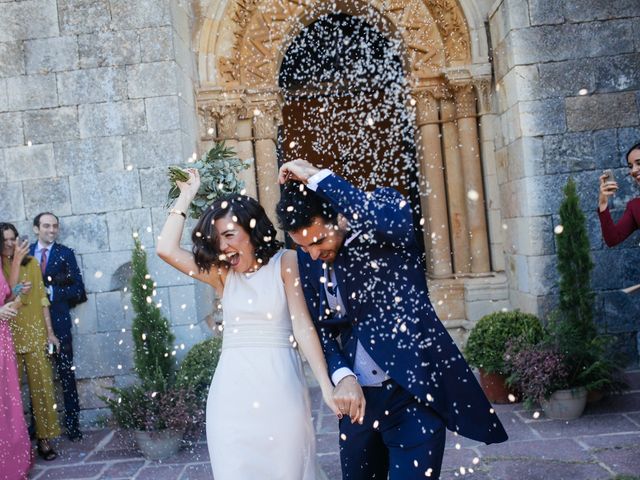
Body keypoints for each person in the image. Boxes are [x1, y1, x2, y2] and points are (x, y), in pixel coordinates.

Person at [276, 159, 508, 480]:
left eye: (318, 241)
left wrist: (317, 177)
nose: (313, 253)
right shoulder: (310, 259)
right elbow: (322, 328)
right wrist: (342, 374)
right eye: (303, 246)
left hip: (413, 396)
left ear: (339, 216)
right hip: (357, 408)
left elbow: (382, 220)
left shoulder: (386, 213)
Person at [156, 169, 339, 480]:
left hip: (281, 390)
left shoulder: (286, 263)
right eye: (218, 239)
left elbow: (302, 326)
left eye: (230, 235)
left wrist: (326, 385)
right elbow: (166, 249)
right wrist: (185, 196)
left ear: (252, 232)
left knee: (289, 470)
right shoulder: (222, 275)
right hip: (231, 398)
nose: (224, 246)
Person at [0, 223, 61, 461]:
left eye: (12, 239)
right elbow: (8, 298)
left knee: (42, 390)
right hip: (8, 337)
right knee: (12, 397)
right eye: (4, 239)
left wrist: (50, 333)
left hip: (34, 332)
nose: (9, 244)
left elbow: (43, 299)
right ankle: (17, 444)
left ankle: (44, 441)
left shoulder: (32, 264)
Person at [30, 212, 87, 441]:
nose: (51, 230)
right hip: (33, 326)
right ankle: (38, 427)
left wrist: (54, 293)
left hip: (60, 325)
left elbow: (79, 291)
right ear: (36, 229)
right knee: (36, 377)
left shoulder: (66, 254)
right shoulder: (24, 256)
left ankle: (72, 425)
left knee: (65, 374)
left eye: (55, 226)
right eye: (46, 226)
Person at [0, 267, 32, 478]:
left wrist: (18, 296)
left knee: (7, 402)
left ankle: (10, 465)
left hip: (3, 339)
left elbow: (6, 301)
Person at [598, 142, 640, 246]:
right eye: (630, 166)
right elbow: (613, 239)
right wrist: (603, 202)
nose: (633, 170)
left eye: (639, 163)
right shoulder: (635, 206)